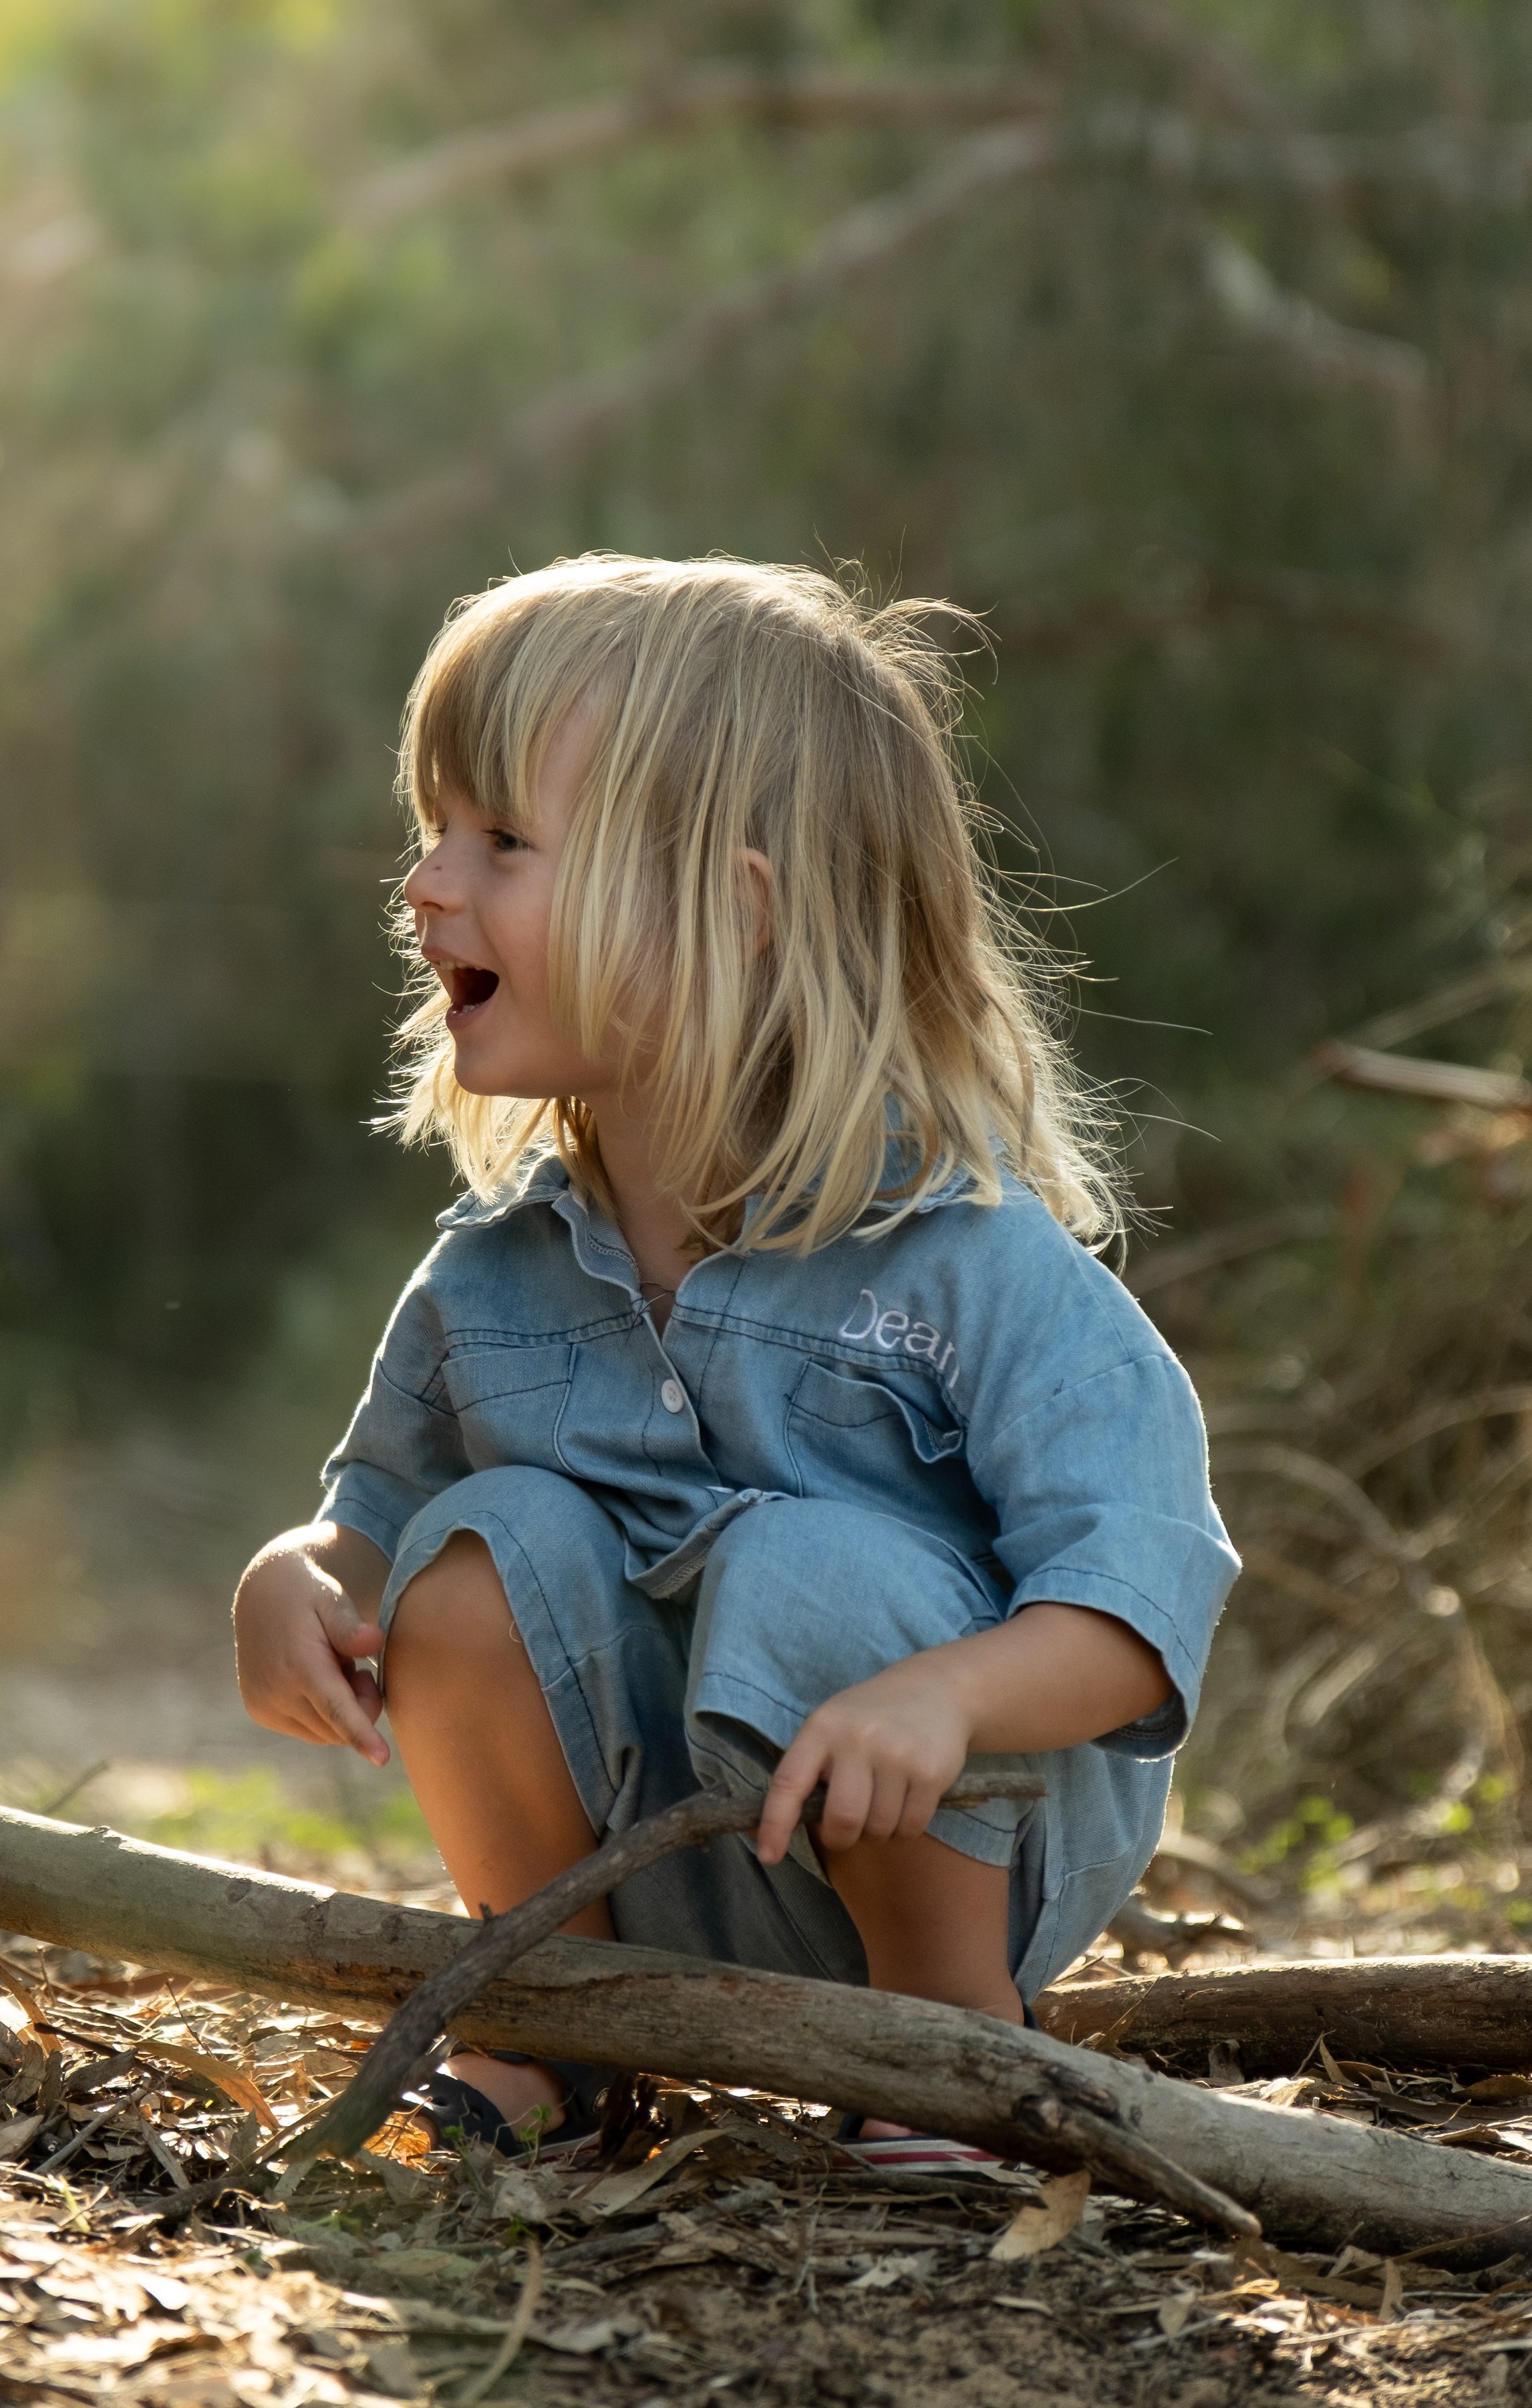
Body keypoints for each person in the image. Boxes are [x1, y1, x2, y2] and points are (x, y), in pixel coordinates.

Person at [233, 553, 1239, 2165]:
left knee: (817, 1562)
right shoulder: (489, 1279)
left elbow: (1139, 1600)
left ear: (739, 911)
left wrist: (945, 1698)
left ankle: (941, 2045)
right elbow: (374, 1526)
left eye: (499, 840)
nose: (425, 884)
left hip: (950, 1847)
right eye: (434, 831)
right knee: (481, 1555)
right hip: (645, 1860)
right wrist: (296, 1575)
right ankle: (548, 2012)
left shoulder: (968, 1266)